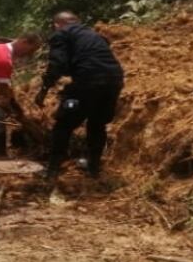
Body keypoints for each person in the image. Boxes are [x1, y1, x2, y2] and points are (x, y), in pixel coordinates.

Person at [34, 11, 125, 178]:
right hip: (114, 81)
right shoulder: (95, 35)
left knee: (63, 123)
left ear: (57, 24)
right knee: (97, 124)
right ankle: (93, 169)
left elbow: (57, 64)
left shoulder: (61, 33)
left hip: (86, 83)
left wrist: (44, 89)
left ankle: (52, 170)